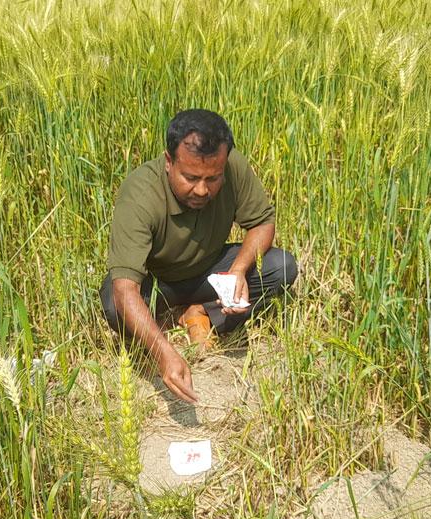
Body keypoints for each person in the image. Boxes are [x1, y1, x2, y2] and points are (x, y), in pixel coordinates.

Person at [100, 109, 298, 404]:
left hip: (211, 271)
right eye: (190, 177)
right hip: (158, 284)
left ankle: (201, 312)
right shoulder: (140, 193)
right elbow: (125, 288)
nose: (202, 190)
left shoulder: (234, 167)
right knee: (115, 306)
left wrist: (238, 272)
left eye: (213, 178)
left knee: (282, 267)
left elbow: (262, 223)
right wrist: (163, 352)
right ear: (169, 162)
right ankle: (169, 319)